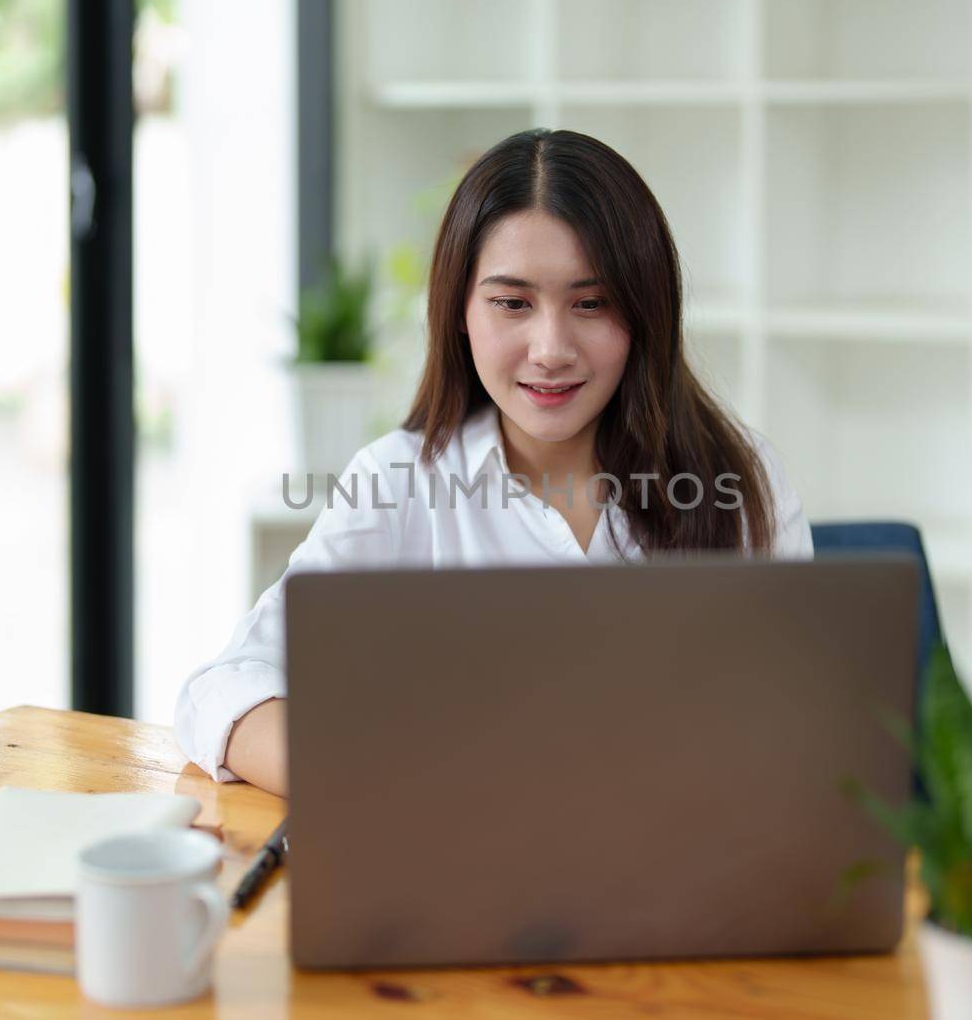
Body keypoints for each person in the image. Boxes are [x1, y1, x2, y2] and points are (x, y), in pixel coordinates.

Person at [174, 128, 812, 796]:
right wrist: (376, 779)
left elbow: (805, 729)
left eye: (591, 303)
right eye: (512, 303)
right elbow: (223, 687)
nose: (550, 348)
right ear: (458, 312)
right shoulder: (398, 484)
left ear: (646, 315)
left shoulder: (740, 481)